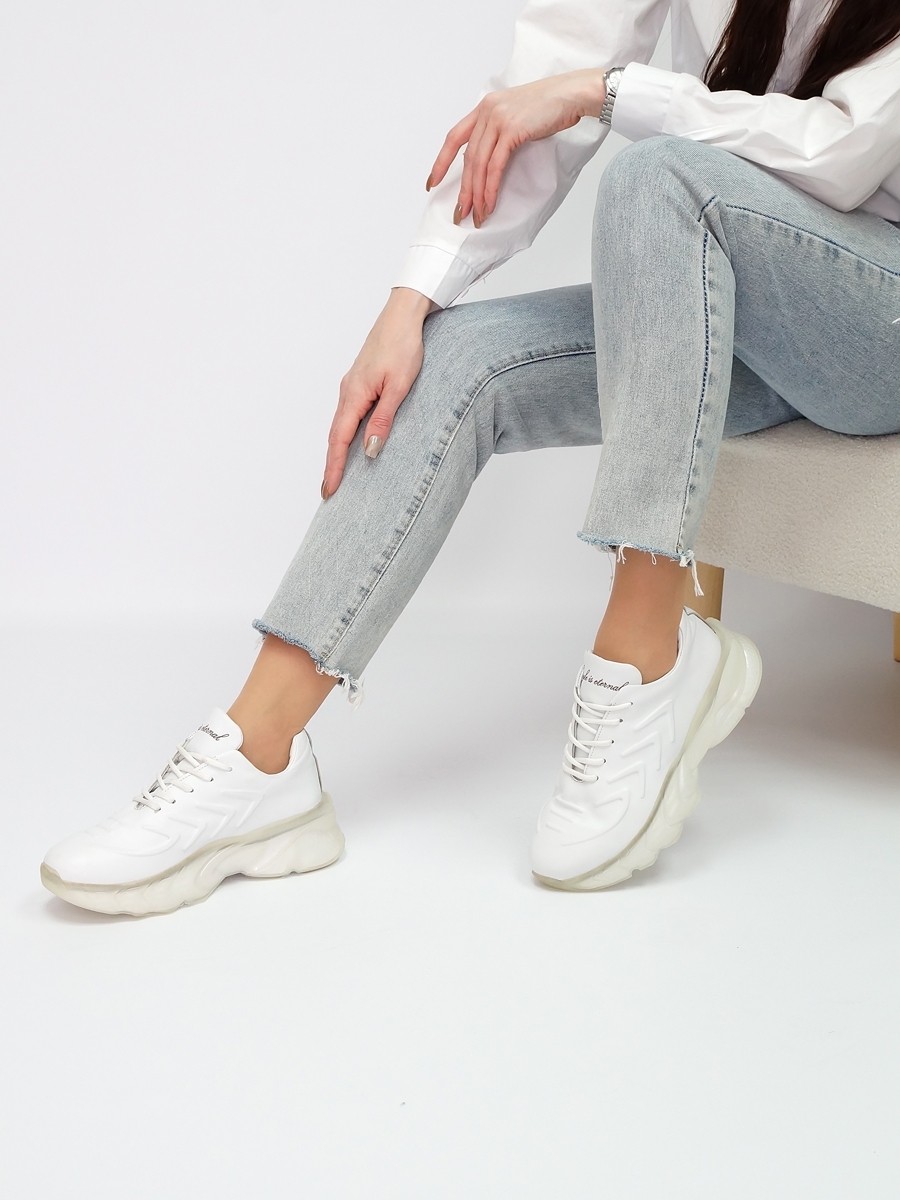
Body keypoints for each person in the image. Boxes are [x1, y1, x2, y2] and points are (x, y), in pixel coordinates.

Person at [41, 0, 900, 914]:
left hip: (873, 324)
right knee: (452, 356)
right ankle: (259, 764)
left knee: (658, 176)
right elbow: (542, 89)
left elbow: (844, 153)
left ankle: (647, 654)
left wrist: (610, 93)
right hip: (729, 295)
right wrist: (409, 302)